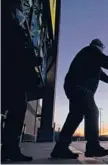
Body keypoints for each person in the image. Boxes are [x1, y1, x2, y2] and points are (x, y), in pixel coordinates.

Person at [50, 39, 108, 159]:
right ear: (99, 47)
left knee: (75, 116)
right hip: (80, 88)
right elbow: (105, 60)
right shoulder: (90, 51)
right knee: (92, 112)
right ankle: (92, 146)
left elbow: (104, 77)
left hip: (74, 88)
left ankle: (60, 148)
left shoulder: (91, 59)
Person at [1, 1, 42, 162]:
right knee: (17, 108)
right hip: (11, 72)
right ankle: (10, 149)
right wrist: (32, 60)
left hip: (11, 71)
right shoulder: (10, 20)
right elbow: (16, 49)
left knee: (15, 108)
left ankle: (9, 149)